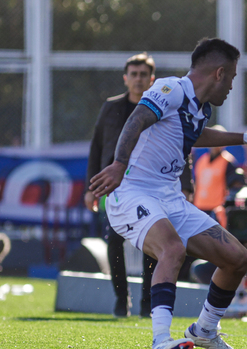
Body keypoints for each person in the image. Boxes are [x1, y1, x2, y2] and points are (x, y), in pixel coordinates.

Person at [89, 38, 247, 349]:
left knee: (237, 259)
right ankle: (159, 342)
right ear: (219, 73)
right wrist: (120, 164)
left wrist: (246, 137)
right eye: (233, 77)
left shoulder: (199, 108)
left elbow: (195, 136)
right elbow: (135, 121)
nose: (232, 86)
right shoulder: (171, 89)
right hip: (132, 191)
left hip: (168, 197)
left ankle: (205, 330)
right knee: (173, 249)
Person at [85, 52, 163, 318]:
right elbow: (96, 147)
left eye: (144, 74)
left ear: (152, 79)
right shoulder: (111, 106)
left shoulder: (161, 107)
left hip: (150, 184)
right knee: (114, 240)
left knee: (151, 243)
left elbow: (180, 145)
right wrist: (90, 187)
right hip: (115, 186)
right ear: (125, 78)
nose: (139, 79)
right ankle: (122, 300)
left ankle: (146, 302)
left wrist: (187, 185)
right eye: (134, 74)